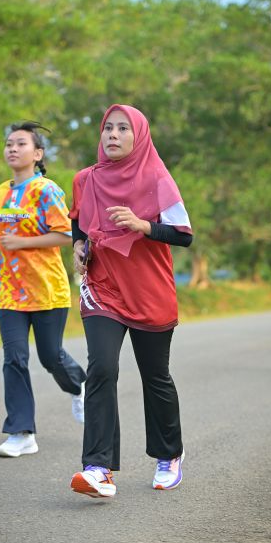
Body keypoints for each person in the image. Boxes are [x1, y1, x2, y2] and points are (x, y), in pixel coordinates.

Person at [68, 104, 193, 498]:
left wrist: (143, 226)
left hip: (149, 291)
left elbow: (184, 234)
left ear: (139, 136)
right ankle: (98, 468)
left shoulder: (158, 178)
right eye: (108, 127)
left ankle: (169, 454)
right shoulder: (86, 179)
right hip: (103, 287)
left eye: (123, 129)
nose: (113, 135)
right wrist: (78, 245)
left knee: (155, 375)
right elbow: (78, 221)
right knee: (102, 368)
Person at [0, 121, 86, 457]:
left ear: (37, 154)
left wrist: (20, 243)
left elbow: (65, 234)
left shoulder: (47, 190)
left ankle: (78, 385)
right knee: (14, 358)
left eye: (20, 144)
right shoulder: (2, 191)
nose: (12, 149)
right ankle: (21, 432)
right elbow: (7, 226)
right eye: (9, 144)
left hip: (47, 288)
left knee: (50, 356)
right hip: (8, 289)